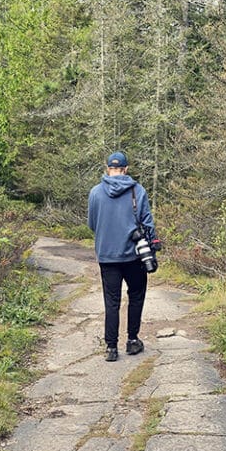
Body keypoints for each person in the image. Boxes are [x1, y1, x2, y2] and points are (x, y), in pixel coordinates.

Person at [86, 151, 158, 361]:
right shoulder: (138, 191)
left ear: (108, 168)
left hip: (107, 255)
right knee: (135, 296)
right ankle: (132, 340)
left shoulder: (95, 193)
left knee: (112, 301)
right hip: (134, 256)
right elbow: (147, 223)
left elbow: (92, 224)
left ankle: (111, 348)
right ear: (126, 169)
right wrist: (152, 247)